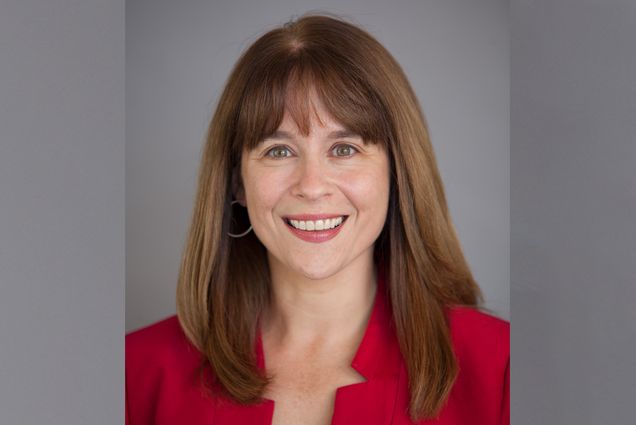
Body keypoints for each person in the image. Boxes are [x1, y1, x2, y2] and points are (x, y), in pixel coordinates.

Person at [126, 13, 509, 425]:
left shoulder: (502, 369)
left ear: (397, 173)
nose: (311, 186)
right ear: (237, 183)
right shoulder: (136, 373)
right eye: (278, 151)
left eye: (344, 149)